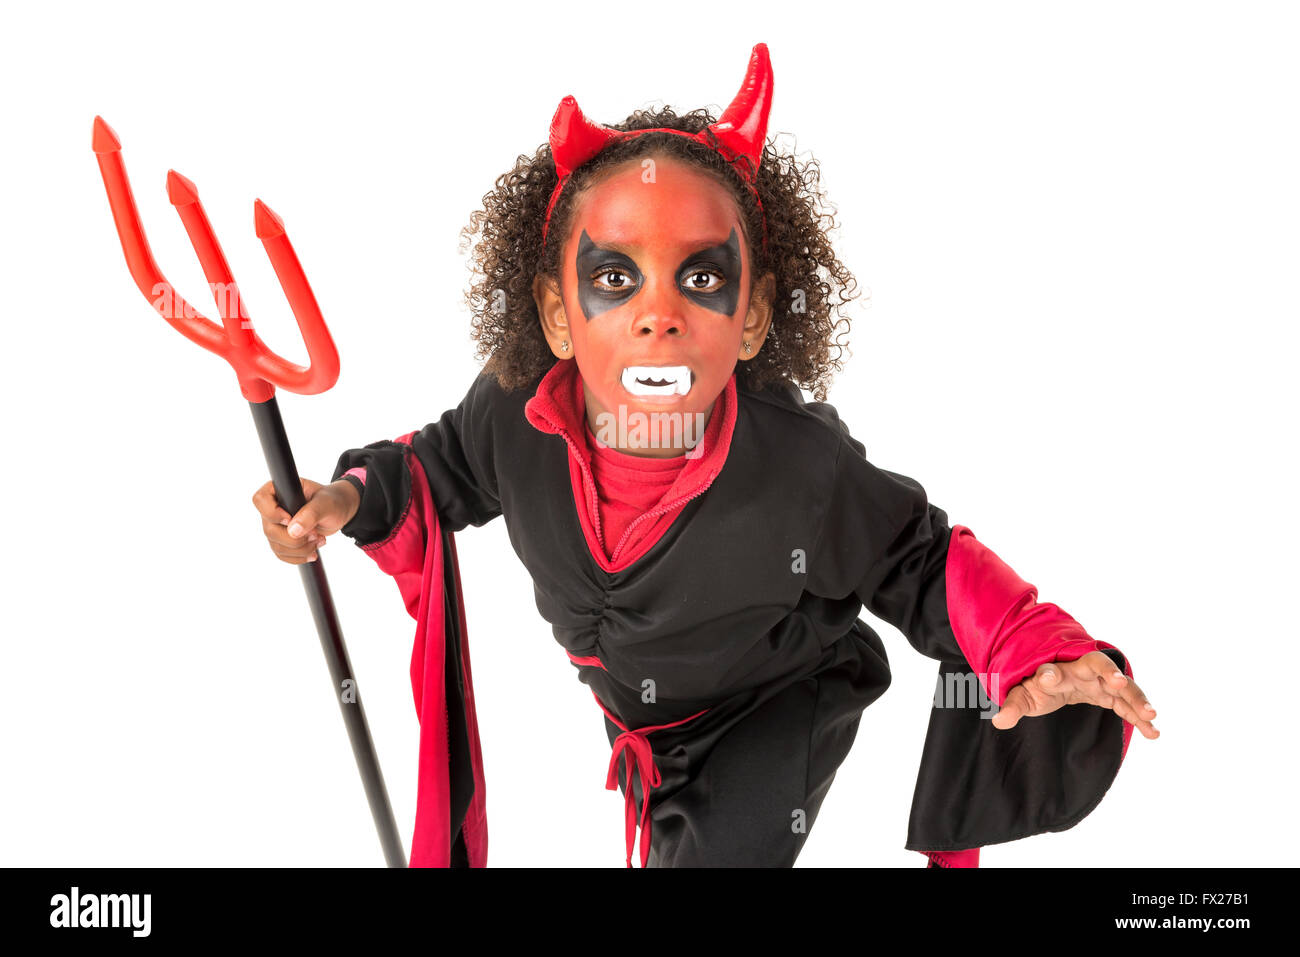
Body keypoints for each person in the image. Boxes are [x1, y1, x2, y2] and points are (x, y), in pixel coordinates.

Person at [251, 43, 1158, 868]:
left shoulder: (798, 467)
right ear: (558, 316)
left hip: (777, 705)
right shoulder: (511, 418)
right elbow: (432, 468)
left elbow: (919, 558)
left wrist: (1032, 649)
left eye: (701, 276)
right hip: (643, 724)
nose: (659, 313)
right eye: (614, 279)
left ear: (753, 317)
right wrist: (344, 497)